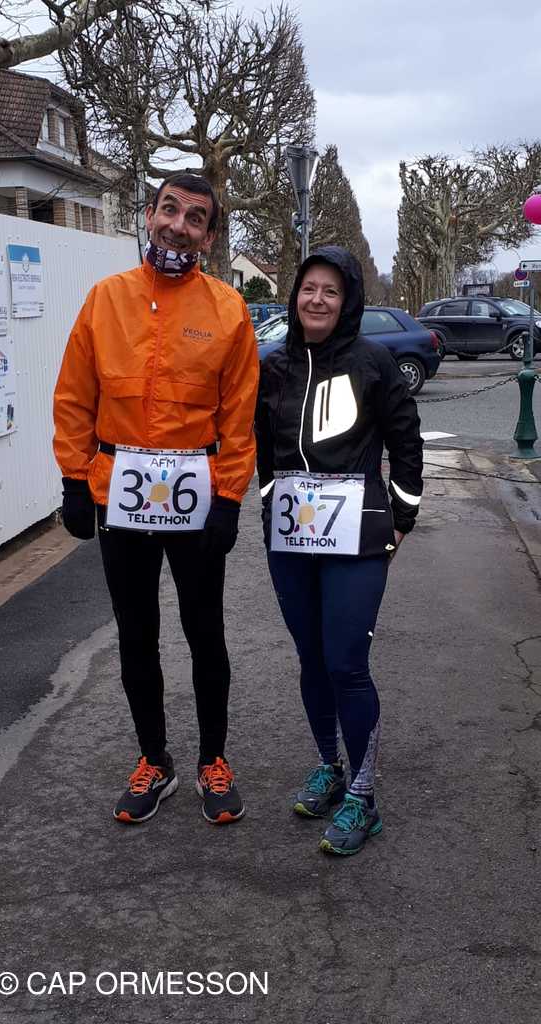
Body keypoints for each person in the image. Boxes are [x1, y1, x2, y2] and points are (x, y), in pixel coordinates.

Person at [53, 173, 259, 827]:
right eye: (170, 209)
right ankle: (154, 761)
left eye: (195, 218)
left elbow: (239, 416)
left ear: (210, 236)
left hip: (197, 499)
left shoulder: (229, 310)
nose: (178, 225)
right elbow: (75, 395)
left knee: (205, 634)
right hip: (121, 497)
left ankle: (213, 761)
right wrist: (74, 481)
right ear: (149, 215)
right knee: (136, 634)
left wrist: (229, 498)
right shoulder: (104, 299)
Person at [255, 246, 423, 856]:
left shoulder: (373, 362)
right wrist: (270, 501)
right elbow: (262, 445)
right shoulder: (275, 365)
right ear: (295, 296)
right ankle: (330, 765)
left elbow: (406, 442)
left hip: (357, 538)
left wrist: (401, 517)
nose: (318, 299)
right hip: (292, 539)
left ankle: (363, 794)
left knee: (347, 663)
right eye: (309, 289)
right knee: (312, 658)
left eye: (331, 290)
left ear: (347, 300)